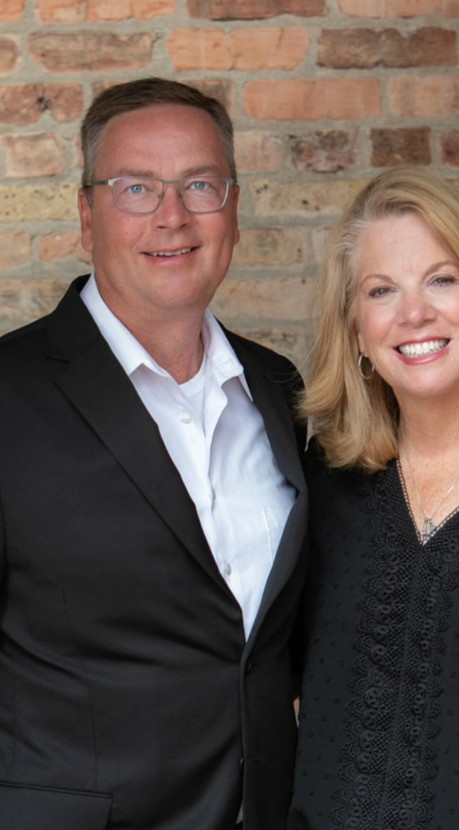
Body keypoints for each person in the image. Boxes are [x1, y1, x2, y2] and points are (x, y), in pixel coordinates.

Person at [0, 77, 308, 830]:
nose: (172, 216)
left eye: (199, 184)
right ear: (86, 215)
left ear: (233, 208)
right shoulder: (8, 395)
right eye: (136, 187)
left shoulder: (278, 388)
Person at [287, 166, 459, 830]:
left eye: (441, 278)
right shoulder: (324, 483)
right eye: (381, 290)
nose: (413, 314)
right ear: (354, 330)